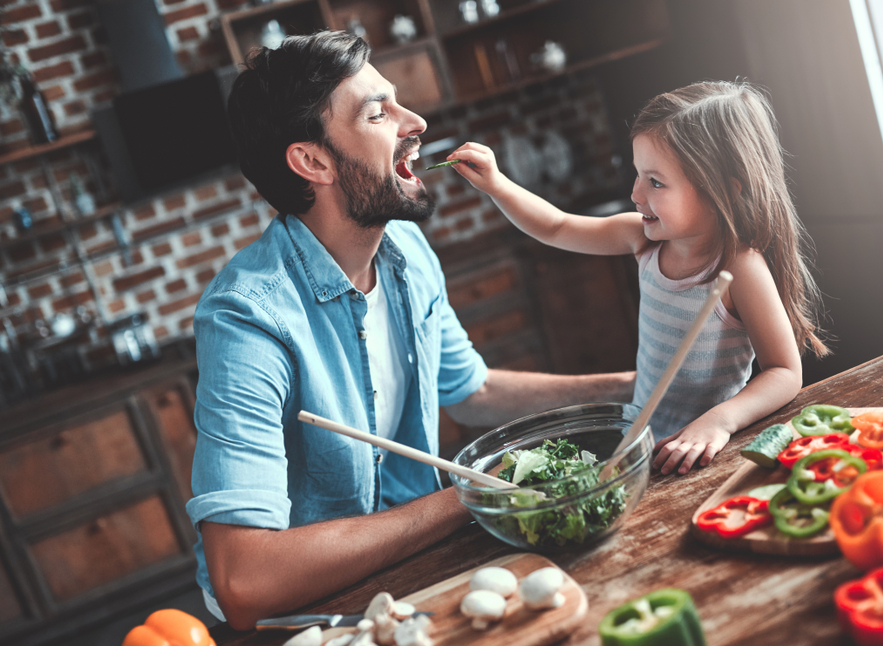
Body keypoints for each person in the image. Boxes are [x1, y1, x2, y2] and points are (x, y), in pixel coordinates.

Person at [187, 31, 634, 630]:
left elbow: (470, 390)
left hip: (410, 578)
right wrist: (469, 495)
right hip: (302, 626)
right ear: (312, 161)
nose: (415, 121)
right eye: (378, 113)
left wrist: (640, 387)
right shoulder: (247, 318)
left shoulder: (404, 250)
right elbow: (245, 580)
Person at [445, 81, 829, 478]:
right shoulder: (642, 239)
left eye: (655, 182)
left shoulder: (739, 267)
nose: (635, 193)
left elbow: (784, 373)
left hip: (706, 456)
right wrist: (496, 184)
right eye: (638, 175)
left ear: (723, 194)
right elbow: (557, 227)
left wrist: (719, 422)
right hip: (644, 450)